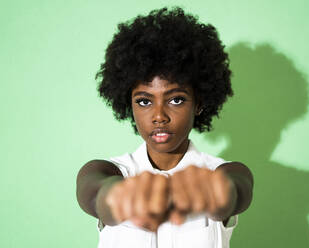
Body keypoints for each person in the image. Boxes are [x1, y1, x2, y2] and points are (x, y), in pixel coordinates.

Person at [76, 7, 253, 248]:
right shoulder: (109, 171)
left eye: (176, 99)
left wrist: (216, 192)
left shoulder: (223, 172)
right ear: (129, 104)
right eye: (144, 101)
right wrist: (118, 196)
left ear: (199, 104)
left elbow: (237, 191)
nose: (159, 116)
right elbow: (93, 192)